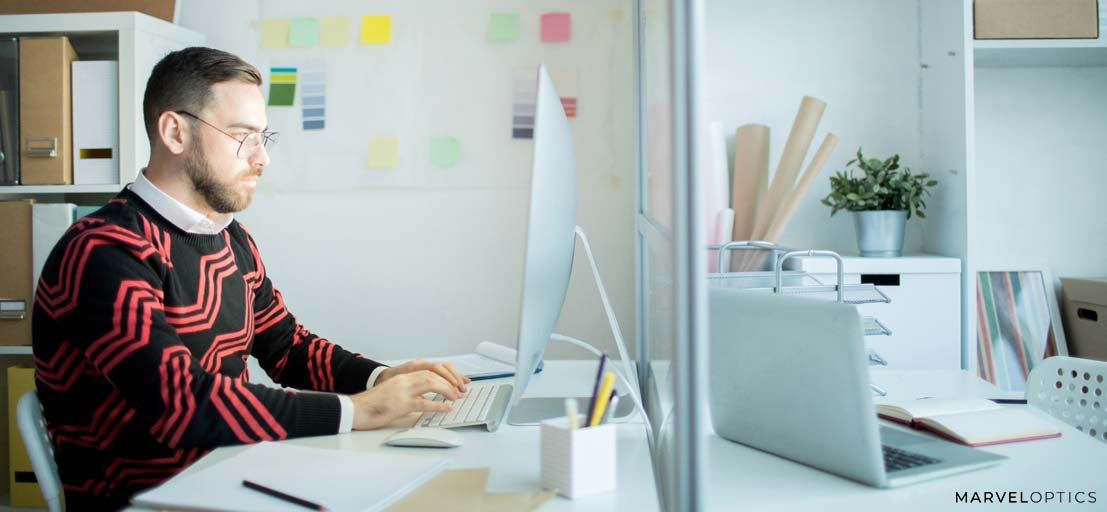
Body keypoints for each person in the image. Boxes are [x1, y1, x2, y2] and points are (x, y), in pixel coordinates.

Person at [31, 47, 469, 510]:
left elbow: (287, 347)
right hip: (149, 503)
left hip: (236, 477)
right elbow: (181, 405)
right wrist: (359, 410)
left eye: (264, 137)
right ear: (175, 132)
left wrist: (380, 377)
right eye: (242, 136)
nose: (262, 159)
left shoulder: (227, 235)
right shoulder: (103, 250)